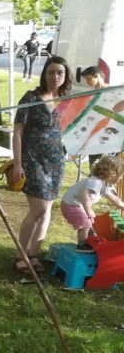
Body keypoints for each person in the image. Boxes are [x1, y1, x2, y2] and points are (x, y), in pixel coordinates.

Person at [10, 56, 71, 274]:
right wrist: (18, 163)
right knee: (39, 208)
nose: (55, 77)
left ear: (65, 76)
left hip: (56, 161)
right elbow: (18, 132)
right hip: (33, 159)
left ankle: (34, 253)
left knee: (47, 211)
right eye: (51, 72)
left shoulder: (67, 100)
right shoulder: (32, 98)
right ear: (44, 74)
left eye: (60, 73)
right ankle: (20, 254)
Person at [60, 155, 124, 252]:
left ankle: (91, 237)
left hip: (76, 204)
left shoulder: (103, 183)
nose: (120, 179)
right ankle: (82, 245)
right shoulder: (96, 182)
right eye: (120, 176)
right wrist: (88, 210)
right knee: (85, 222)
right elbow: (84, 194)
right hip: (71, 205)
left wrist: (122, 206)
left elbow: (114, 199)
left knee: (89, 221)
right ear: (112, 174)